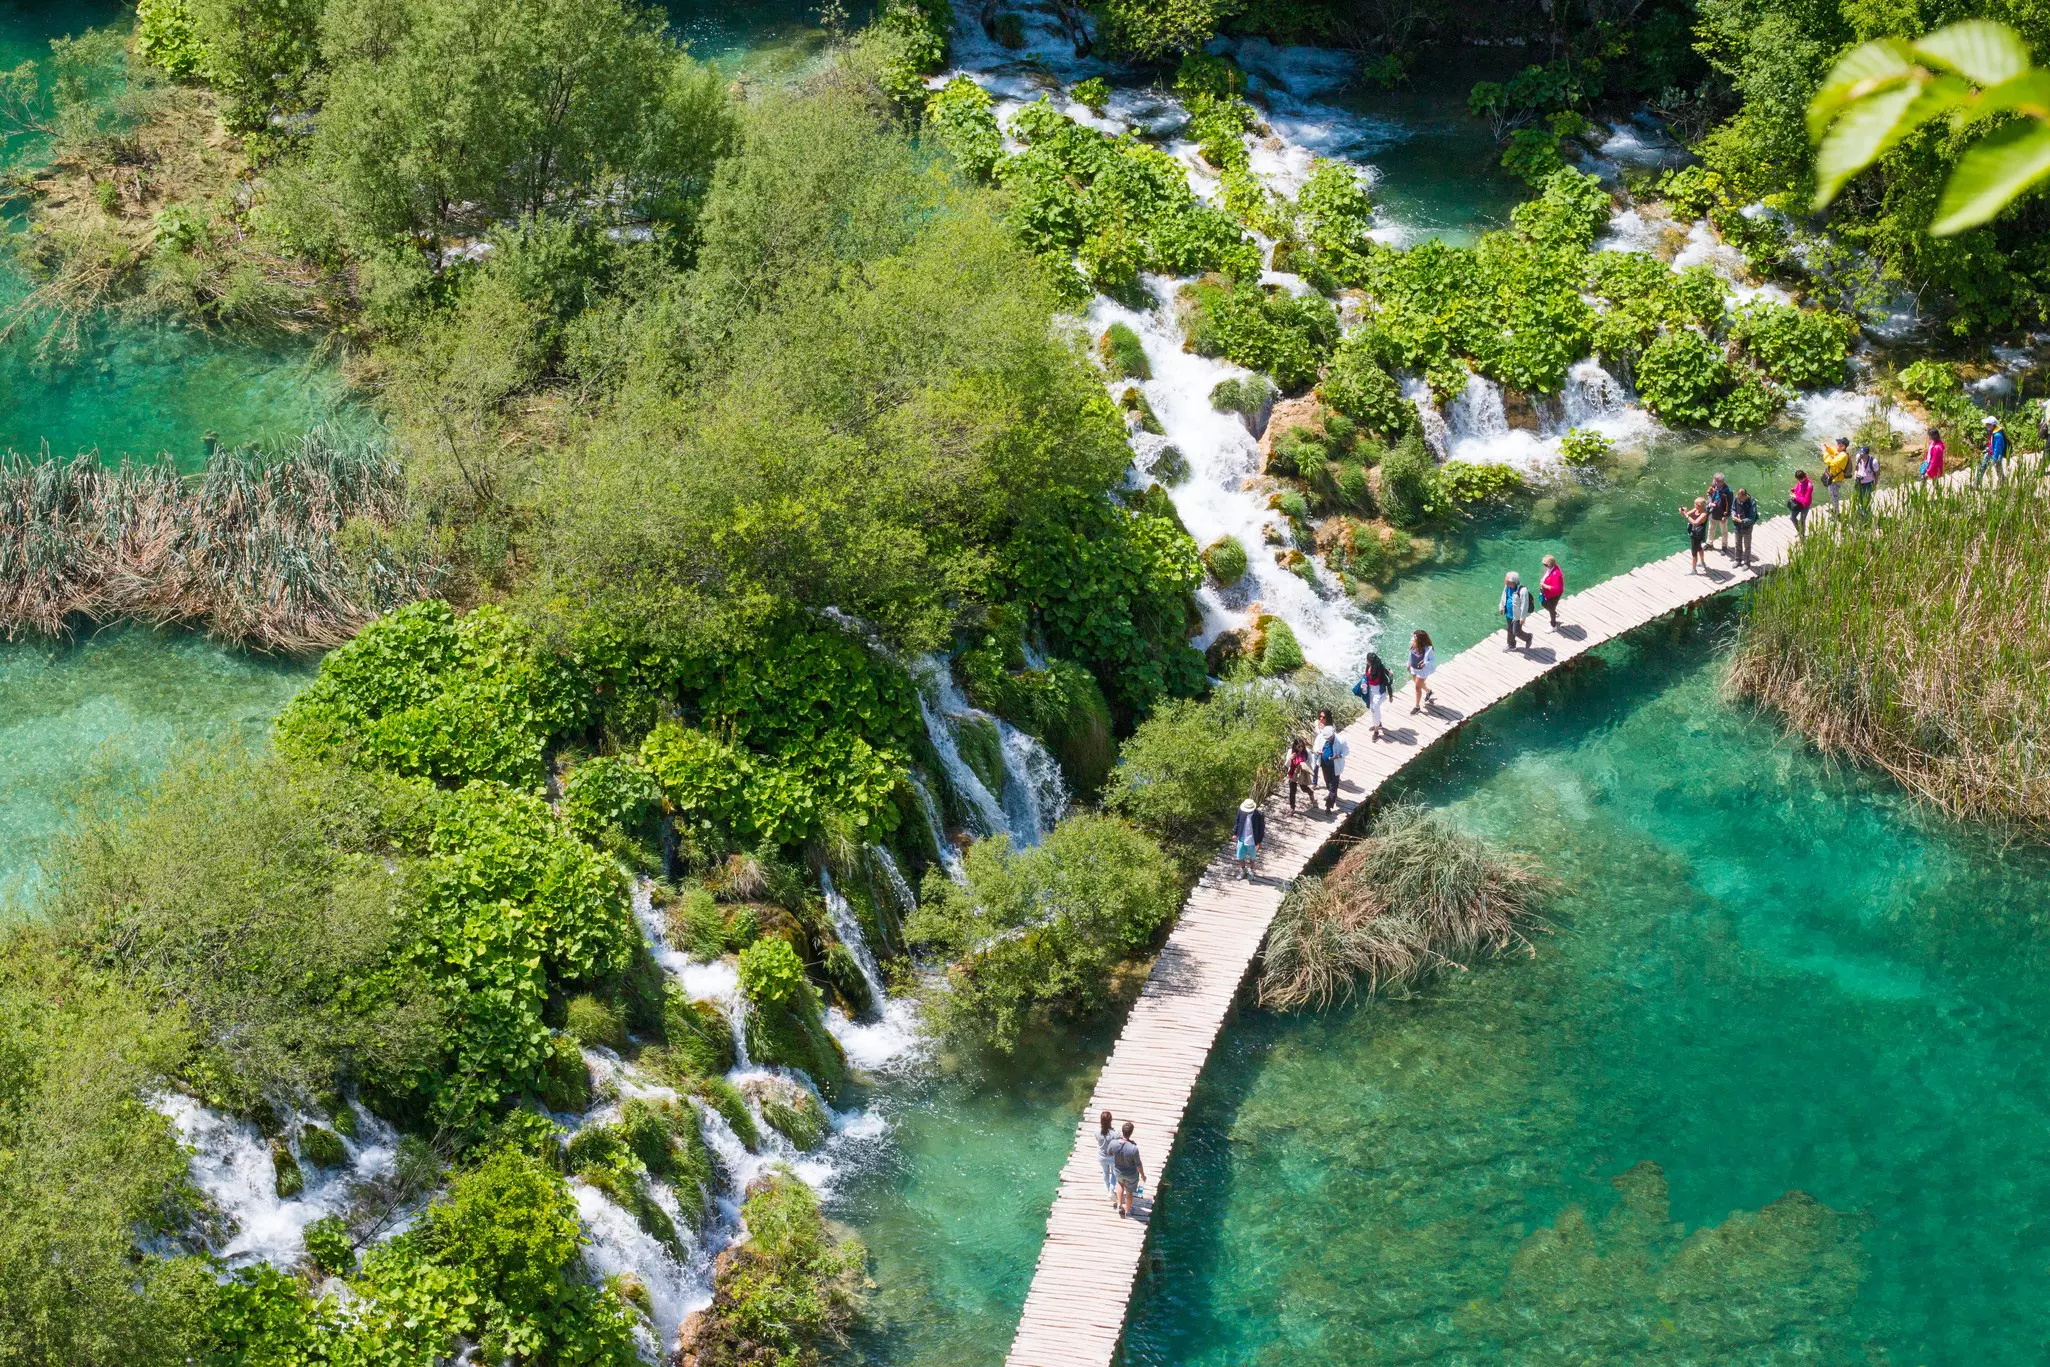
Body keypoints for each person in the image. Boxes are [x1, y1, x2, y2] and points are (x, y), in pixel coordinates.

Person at [1313, 709, 1347, 813]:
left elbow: (1346, 751)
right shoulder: (1321, 737)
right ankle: (1331, 796)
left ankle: (1329, 805)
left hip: (1335, 765)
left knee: (1333, 785)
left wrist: (1338, 756)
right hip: (1324, 764)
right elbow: (1315, 746)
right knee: (1328, 783)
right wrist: (1317, 751)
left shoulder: (1340, 740)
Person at [1111, 1121, 1145, 1218]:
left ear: (1122, 1131)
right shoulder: (1133, 1148)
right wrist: (1143, 1175)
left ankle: (1119, 1205)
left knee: (1120, 1185)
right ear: (1131, 1132)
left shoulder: (1113, 1143)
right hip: (1131, 1174)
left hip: (1118, 1171)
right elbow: (1138, 1164)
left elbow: (1109, 1153)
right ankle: (1128, 1211)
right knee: (1129, 1192)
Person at [1355, 653, 1392, 740]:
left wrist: (1391, 696)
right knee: (1373, 710)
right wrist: (1363, 684)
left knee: (1374, 709)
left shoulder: (1380, 669)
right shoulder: (1368, 666)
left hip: (1379, 693)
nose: (1366, 661)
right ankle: (1378, 724)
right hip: (1370, 691)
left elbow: (1388, 682)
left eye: (1366, 659)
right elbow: (1366, 677)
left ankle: (1376, 731)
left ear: (1369, 661)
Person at [1231, 798, 1265, 878]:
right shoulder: (1240, 811)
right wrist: (1235, 833)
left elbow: (1261, 829)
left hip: (1252, 840)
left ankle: (1251, 871)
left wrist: (1259, 842)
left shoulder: (1259, 815)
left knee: (1252, 857)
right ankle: (1243, 870)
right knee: (1240, 856)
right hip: (1242, 838)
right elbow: (1237, 822)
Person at [1501, 570, 1533, 650]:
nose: (1506, 584)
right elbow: (1504, 596)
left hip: (1517, 616)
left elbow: (1524, 604)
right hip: (1508, 613)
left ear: (1513, 582)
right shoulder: (1507, 586)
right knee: (1509, 629)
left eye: (1508, 582)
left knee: (1516, 632)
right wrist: (1501, 606)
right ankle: (1511, 644)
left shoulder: (1522, 591)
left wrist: (1523, 617)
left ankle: (1528, 637)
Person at [1679, 495, 1710, 574]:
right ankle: (1702, 563)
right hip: (1694, 532)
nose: (1695, 506)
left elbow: (1695, 523)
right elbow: (1685, 515)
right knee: (1699, 547)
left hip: (1697, 534)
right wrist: (1682, 512)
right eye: (1695, 504)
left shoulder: (1704, 514)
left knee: (1694, 552)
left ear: (1702, 506)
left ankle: (1694, 569)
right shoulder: (1696, 509)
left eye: (1697, 505)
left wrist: (1686, 514)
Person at [1407, 630, 1435, 713]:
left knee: (1417, 687)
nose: (1413, 637)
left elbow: (1433, 660)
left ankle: (1417, 707)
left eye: (1415, 636)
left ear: (1420, 639)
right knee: (1416, 682)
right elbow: (1410, 654)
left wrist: (1425, 663)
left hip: (1422, 671)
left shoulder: (1428, 649)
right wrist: (1408, 663)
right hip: (1414, 668)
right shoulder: (1413, 643)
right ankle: (1428, 691)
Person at [1284, 736, 1314, 812]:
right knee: (1292, 791)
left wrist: (1307, 767)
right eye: (1299, 746)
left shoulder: (1307, 752)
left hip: (1302, 773)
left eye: (1302, 746)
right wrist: (1290, 758)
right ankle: (1292, 807)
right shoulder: (1291, 752)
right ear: (1295, 746)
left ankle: (1310, 792)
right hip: (1293, 772)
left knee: (1303, 788)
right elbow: (1287, 765)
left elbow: (1310, 762)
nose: (1301, 748)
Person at [1705, 473, 1734, 551]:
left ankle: (1724, 547)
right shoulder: (1713, 485)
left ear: (1723, 481)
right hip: (1713, 511)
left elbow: (1730, 505)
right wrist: (1710, 502)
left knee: (1724, 532)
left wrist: (1726, 516)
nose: (1716, 483)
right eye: (1715, 481)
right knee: (1711, 529)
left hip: (1722, 514)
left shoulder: (1728, 492)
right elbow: (1709, 494)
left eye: (1718, 481)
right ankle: (1709, 544)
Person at [1730, 486, 1759, 564]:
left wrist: (1742, 521)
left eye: (1740, 498)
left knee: (1747, 545)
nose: (1739, 500)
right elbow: (1733, 508)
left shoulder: (1752, 502)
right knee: (1737, 543)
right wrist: (1733, 515)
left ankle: (1746, 562)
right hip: (1737, 526)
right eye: (1738, 497)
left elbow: (1752, 517)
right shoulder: (1736, 499)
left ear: (1745, 496)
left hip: (1747, 527)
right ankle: (1737, 559)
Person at [1821, 437, 1851, 507]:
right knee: (1832, 495)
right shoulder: (1840, 452)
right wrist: (1827, 447)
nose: (1836, 445)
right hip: (1834, 478)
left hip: (1836, 480)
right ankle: (1835, 510)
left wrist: (1825, 452)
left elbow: (1831, 462)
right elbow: (1833, 450)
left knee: (1834, 497)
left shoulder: (1843, 456)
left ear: (1842, 446)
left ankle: (1836, 514)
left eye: (1838, 444)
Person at [1978, 414, 2008, 483]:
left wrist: (1994, 458)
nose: (1985, 426)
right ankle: (1976, 483)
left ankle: (2003, 483)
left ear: (1992, 425)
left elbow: (1998, 449)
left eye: (1987, 424)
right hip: (1989, 452)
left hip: (1996, 455)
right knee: (1982, 466)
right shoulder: (1991, 431)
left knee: (1998, 469)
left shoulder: (1998, 435)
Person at [1097, 1111, 1118, 1206]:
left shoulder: (1096, 1131)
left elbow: (1098, 1140)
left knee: (1105, 1172)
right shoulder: (1115, 1133)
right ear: (1111, 1120)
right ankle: (1111, 1190)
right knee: (1114, 1174)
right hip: (1112, 1157)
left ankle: (1107, 1187)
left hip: (1101, 1156)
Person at [1538, 554, 1564, 628]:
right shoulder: (1550, 568)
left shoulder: (1556, 574)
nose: (1544, 566)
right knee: (1544, 603)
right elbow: (1547, 575)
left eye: (1546, 565)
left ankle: (1553, 626)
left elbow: (1557, 588)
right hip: (1547, 592)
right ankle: (1554, 613)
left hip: (1554, 594)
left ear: (1550, 564)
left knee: (1551, 609)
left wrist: (1545, 586)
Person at [1788, 469, 1814, 538]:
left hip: (1805, 505)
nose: (1798, 481)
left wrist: (1795, 497)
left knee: (1802, 521)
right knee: (1792, 517)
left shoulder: (1809, 486)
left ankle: (1802, 535)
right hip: (1797, 503)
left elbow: (1805, 500)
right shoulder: (1800, 481)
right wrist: (1794, 490)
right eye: (1798, 480)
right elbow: (1798, 488)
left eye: (1799, 480)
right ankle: (1799, 531)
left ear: (1804, 477)